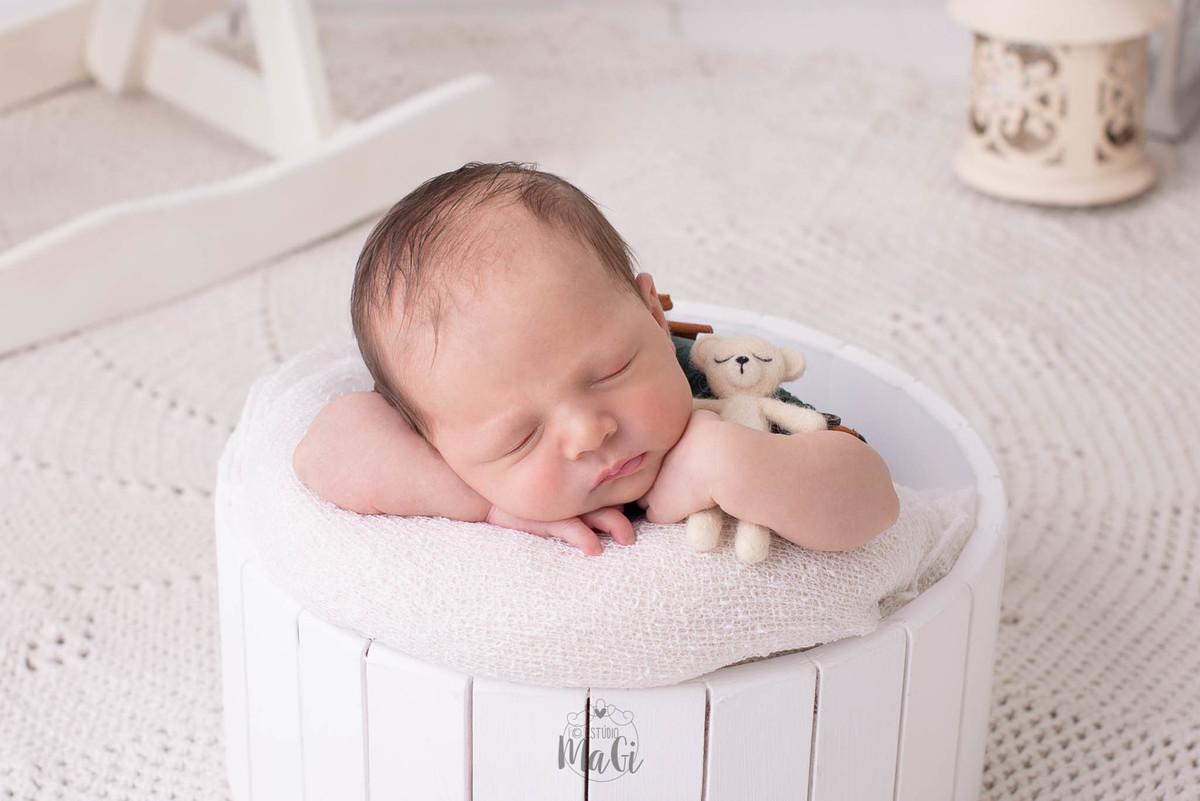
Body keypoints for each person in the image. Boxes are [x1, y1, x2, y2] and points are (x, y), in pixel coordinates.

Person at [293, 162, 899, 556]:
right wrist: (488, 505)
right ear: (435, 443)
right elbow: (326, 448)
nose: (588, 432)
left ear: (653, 316)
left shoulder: (709, 383)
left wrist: (732, 462)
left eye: (611, 372)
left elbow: (874, 499)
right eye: (518, 438)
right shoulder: (454, 446)